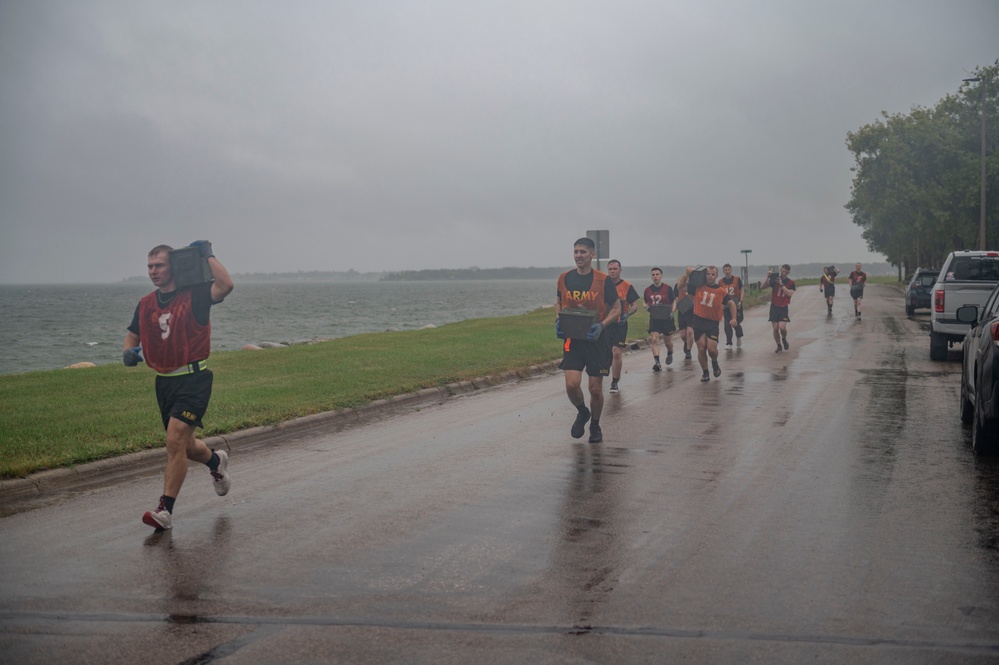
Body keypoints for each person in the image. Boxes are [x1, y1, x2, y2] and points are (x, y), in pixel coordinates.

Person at [123, 241, 235, 530]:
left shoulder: (196, 294)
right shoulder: (146, 303)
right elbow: (133, 335)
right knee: (184, 447)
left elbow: (226, 285)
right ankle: (215, 462)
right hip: (165, 383)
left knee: (173, 442)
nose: (153, 271)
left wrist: (207, 254)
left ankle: (165, 511)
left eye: (159, 265)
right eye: (149, 266)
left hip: (194, 379)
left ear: (172, 266)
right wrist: (128, 352)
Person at [555, 237, 621, 444]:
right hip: (573, 340)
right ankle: (582, 412)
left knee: (594, 388)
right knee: (572, 385)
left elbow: (617, 308)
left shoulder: (603, 280)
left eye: (583, 252)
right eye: (576, 252)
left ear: (592, 255)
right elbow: (558, 301)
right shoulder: (564, 278)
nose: (578, 256)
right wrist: (558, 320)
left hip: (596, 340)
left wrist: (602, 325)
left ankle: (595, 424)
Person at [688, 266, 738, 381]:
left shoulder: (721, 291)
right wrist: (687, 275)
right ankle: (705, 372)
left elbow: (731, 304)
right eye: (708, 274)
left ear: (716, 276)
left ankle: (714, 362)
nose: (710, 276)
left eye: (712, 274)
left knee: (711, 349)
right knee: (701, 348)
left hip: (712, 323)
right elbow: (681, 287)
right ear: (705, 275)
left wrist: (733, 318)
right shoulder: (698, 287)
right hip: (699, 320)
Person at [605, 259, 640, 393]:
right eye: (610, 269)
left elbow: (635, 305)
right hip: (605, 323)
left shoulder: (627, 286)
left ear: (620, 270)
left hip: (620, 324)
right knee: (606, 353)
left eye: (615, 269)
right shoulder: (603, 284)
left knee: (616, 351)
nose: (612, 271)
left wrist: (628, 314)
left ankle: (615, 381)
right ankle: (605, 370)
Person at [643, 267, 676, 371]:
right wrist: (646, 307)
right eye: (653, 275)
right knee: (654, 339)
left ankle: (670, 352)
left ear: (661, 276)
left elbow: (673, 301)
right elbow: (644, 301)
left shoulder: (667, 288)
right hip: (655, 318)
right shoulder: (647, 290)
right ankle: (657, 362)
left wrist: (672, 311)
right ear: (651, 277)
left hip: (666, 318)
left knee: (668, 342)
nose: (655, 277)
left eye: (657, 274)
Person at [767, 264, 796, 353]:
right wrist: (768, 276)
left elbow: (789, 294)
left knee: (782, 327)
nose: (784, 273)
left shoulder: (791, 282)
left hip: (783, 307)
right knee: (775, 328)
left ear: (788, 273)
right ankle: (779, 345)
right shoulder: (775, 279)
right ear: (780, 270)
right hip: (774, 306)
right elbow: (763, 286)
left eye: (786, 272)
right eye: (783, 271)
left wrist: (782, 284)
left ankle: (784, 338)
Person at [719, 263, 745, 348]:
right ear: (723, 271)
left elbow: (741, 290)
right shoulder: (720, 282)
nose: (727, 271)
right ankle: (729, 343)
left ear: (731, 270)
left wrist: (741, 301)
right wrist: (720, 304)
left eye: (728, 269)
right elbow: (718, 294)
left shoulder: (737, 279)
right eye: (725, 270)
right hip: (726, 307)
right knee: (727, 325)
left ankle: (738, 336)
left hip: (736, 305)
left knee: (735, 323)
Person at [674, 270, 695, 360]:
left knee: (690, 331)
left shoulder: (696, 284)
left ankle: (688, 351)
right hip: (682, 310)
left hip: (692, 311)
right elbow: (675, 293)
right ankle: (686, 343)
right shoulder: (680, 283)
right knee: (683, 334)